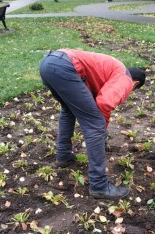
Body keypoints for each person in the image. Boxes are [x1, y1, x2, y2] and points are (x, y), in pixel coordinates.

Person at [39, 49, 146, 199]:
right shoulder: (125, 78)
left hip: (49, 63)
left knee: (68, 111)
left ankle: (63, 156)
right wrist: (102, 129)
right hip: (64, 67)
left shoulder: (113, 69)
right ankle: (99, 185)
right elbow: (104, 103)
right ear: (135, 83)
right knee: (95, 125)